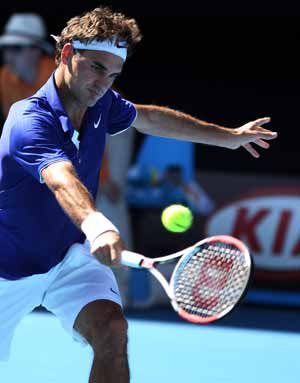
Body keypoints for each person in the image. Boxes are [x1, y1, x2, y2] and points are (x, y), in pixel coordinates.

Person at [0, 5, 277, 383]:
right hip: (6, 269)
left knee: (112, 331)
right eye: (97, 68)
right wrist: (98, 226)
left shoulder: (101, 102)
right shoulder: (29, 120)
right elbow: (61, 179)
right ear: (66, 54)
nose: (104, 84)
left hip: (66, 258)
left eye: (113, 74)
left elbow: (149, 117)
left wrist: (226, 137)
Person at [0, 13, 55, 129]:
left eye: (16, 48)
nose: (8, 56)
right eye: (5, 48)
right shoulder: (5, 76)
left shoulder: (59, 75)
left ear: (37, 50)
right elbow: (13, 127)